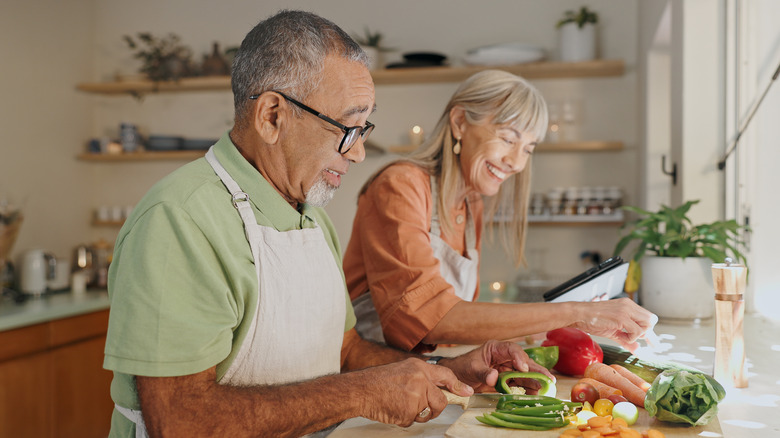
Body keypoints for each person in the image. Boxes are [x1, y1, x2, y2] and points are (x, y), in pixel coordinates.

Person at [103, 10, 551, 438]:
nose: (357, 153)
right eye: (347, 128)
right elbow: (181, 423)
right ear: (272, 116)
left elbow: (345, 350)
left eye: (363, 130)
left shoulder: (312, 217)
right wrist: (362, 393)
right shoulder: (179, 220)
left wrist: (446, 371)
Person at [343, 69, 655, 354]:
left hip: (424, 372)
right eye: (507, 139)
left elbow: (456, 326)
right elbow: (428, 316)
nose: (517, 163)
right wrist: (578, 312)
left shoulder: (471, 203)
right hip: (372, 377)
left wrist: (570, 322)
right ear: (460, 122)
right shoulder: (400, 185)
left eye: (528, 149)